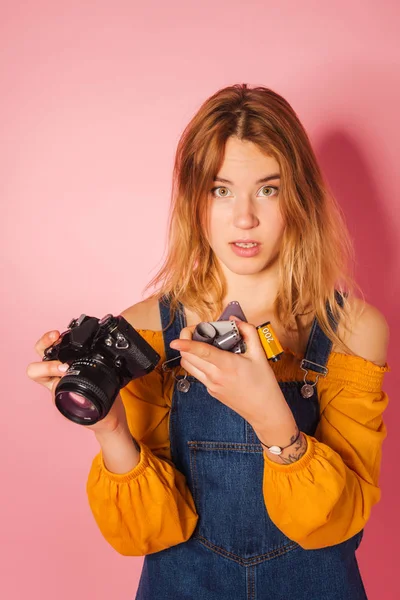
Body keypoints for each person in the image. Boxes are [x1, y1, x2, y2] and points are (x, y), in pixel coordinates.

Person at [27, 84, 390, 599]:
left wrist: (272, 419)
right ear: (194, 200)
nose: (245, 218)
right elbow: (148, 532)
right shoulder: (147, 329)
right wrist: (110, 429)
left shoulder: (351, 330)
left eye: (269, 189)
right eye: (221, 190)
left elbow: (336, 524)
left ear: (300, 196)